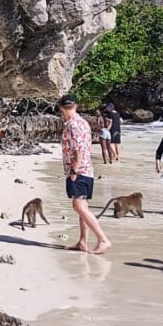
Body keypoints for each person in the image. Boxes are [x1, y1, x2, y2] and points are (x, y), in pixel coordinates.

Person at [59, 94, 111, 253]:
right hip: (87, 169)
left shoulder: (73, 125)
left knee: (78, 206)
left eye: (67, 108)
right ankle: (83, 241)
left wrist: (74, 169)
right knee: (83, 207)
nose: (66, 111)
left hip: (79, 170)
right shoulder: (83, 123)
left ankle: (103, 239)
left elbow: (79, 149)